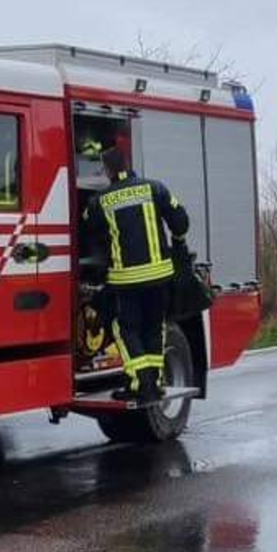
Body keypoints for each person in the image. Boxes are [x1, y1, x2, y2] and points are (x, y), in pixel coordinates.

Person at [83, 147, 190, 402]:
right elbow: (180, 220)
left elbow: (86, 227)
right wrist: (178, 243)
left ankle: (140, 384)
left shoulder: (101, 200)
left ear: (106, 170)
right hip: (160, 277)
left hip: (127, 281)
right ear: (128, 164)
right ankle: (155, 382)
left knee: (125, 329)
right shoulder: (155, 188)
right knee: (154, 326)